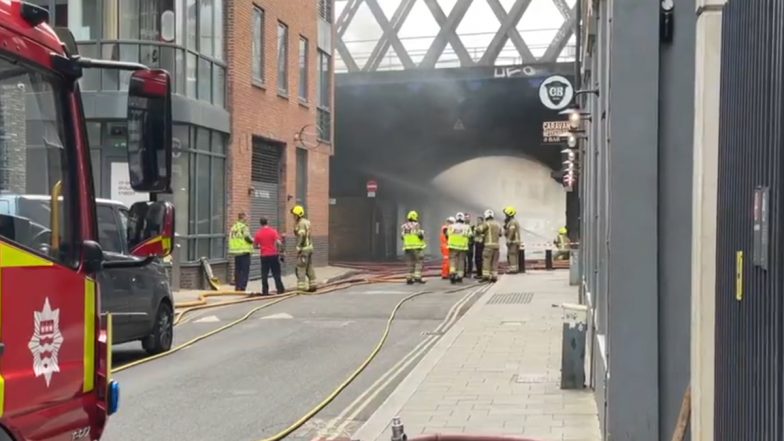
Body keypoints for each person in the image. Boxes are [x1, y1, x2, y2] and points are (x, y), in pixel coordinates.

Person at [254, 217, 285, 295]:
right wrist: (281, 251)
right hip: (273, 255)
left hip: (264, 256)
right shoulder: (273, 231)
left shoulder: (258, 233)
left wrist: (261, 247)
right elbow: (279, 242)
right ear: (267, 222)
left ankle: (265, 291)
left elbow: (255, 246)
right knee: (276, 273)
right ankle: (280, 289)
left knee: (264, 274)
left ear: (260, 223)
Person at [291, 205, 317, 292]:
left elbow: (301, 235)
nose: (293, 217)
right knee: (309, 267)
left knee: (301, 267)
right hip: (310, 248)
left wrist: (298, 247)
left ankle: (301, 287)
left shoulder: (301, 223)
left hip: (304, 249)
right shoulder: (307, 222)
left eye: (294, 215)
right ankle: (313, 285)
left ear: (298, 215)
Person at [228, 212, 254, 291]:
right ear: (243, 218)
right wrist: (253, 240)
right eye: (246, 217)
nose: (247, 219)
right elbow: (247, 237)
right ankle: (242, 287)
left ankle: (237, 286)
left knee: (237, 270)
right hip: (244, 251)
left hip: (236, 252)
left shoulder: (234, 227)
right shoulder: (244, 227)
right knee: (245, 270)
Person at [401, 210, 426, 284]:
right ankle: (417, 277)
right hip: (417, 247)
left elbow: (402, 237)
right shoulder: (416, 225)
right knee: (419, 262)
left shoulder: (404, 226)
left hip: (407, 248)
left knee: (410, 263)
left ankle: (409, 278)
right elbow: (420, 235)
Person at [447, 212, 471, 283]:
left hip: (453, 246)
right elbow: (470, 235)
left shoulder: (451, 226)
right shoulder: (467, 227)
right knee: (461, 261)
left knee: (453, 260)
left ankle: (452, 273)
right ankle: (460, 276)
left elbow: (448, 234)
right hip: (463, 247)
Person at [480, 209, 502, 282]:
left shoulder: (486, 223)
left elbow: (479, 230)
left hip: (488, 246)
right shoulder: (498, 224)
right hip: (496, 247)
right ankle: (494, 277)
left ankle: (486, 276)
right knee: (494, 262)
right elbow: (501, 234)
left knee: (486, 261)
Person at [503, 206, 522, 273]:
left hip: (513, 242)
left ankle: (513, 270)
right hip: (514, 242)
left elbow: (512, 231)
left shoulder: (512, 222)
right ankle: (515, 269)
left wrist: (508, 239)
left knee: (511, 255)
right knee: (513, 255)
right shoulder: (512, 221)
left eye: (506, 214)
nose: (505, 215)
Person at [464, 213, 475, 278]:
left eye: (468, 218)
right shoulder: (461, 226)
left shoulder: (472, 227)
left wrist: (472, 242)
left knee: (470, 260)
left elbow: (474, 236)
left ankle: (469, 272)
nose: (466, 219)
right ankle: (463, 272)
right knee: (463, 260)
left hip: (470, 245)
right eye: (465, 218)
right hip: (463, 245)